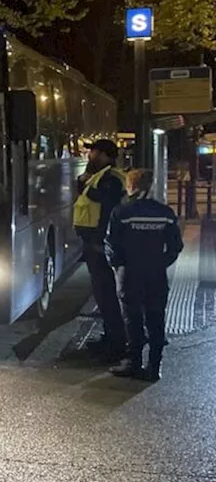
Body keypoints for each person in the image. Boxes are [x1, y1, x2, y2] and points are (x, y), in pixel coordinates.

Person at [105, 169, 183, 381]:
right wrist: (160, 263)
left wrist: (118, 266)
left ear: (132, 186)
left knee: (133, 319)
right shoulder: (165, 213)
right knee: (156, 318)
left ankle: (134, 363)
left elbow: (111, 243)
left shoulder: (122, 212)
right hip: (156, 274)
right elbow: (176, 245)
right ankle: (154, 367)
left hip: (130, 273)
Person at [75, 139, 129, 360]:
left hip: (101, 244)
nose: (90, 156)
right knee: (103, 295)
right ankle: (111, 337)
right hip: (95, 242)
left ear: (105, 155)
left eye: (94, 152)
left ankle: (116, 345)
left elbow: (108, 207)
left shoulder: (112, 178)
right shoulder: (101, 175)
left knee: (107, 295)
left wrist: (101, 242)